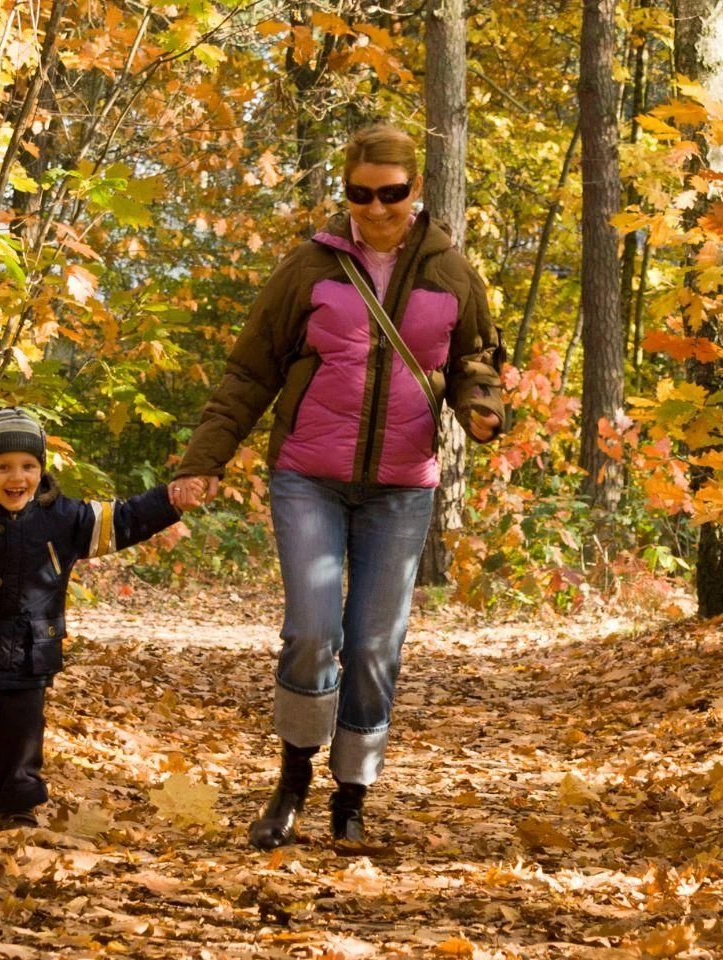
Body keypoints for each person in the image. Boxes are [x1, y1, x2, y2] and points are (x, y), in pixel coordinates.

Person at [174, 124, 506, 848]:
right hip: (307, 478)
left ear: (415, 190)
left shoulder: (453, 272)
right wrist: (203, 460)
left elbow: (476, 358)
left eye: (391, 193)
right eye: (362, 194)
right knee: (313, 630)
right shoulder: (311, 267)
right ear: (346, 193)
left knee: (374, 644)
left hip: (401, 486)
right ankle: (292, 777)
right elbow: (251, 370)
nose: (377, 207)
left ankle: (351, 795)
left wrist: (481, 406)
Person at [0, 406, 204, 829]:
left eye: (28, 466)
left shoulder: (62, 518)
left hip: (27, 649)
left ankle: (16, 806)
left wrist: (169, 500)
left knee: (19, 733)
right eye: (3, 466)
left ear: (41, 470)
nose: (18, 478)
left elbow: (123, 519)